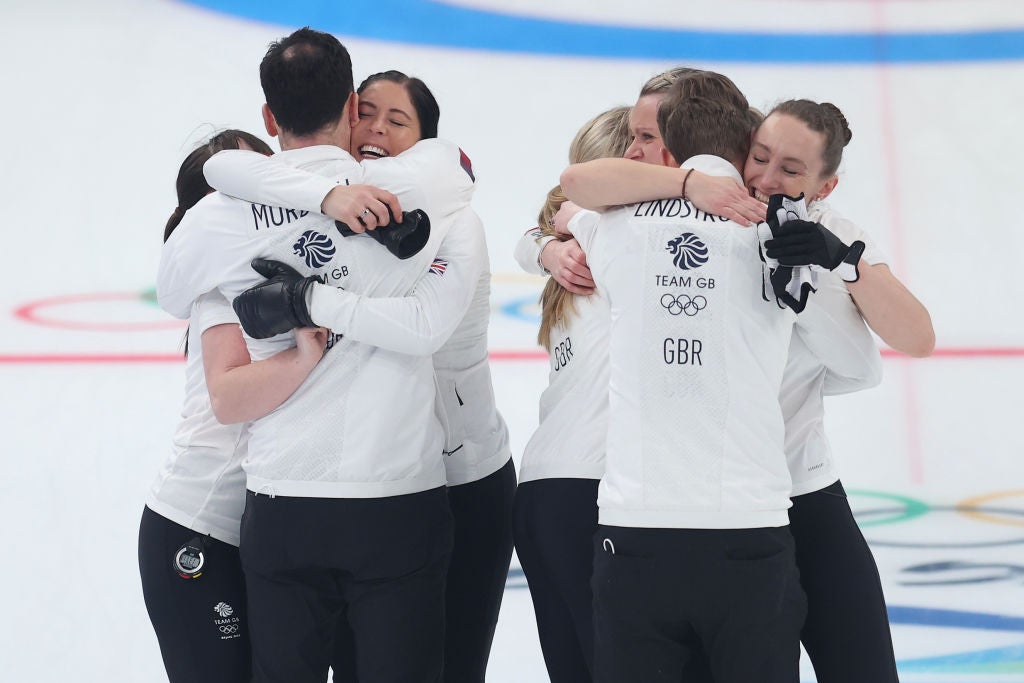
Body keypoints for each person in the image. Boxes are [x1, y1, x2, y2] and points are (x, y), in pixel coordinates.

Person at [562, 79, 933, 681]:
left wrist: (838, 263)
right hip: (717, 515)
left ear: (823, 186)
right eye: (759, 157)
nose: (765, 177)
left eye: (790, 169)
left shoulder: (825, 229)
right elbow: (567, 199)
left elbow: (897, 349)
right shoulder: (698, 205)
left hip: (799, 489)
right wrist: (547, 247)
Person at [156, 28, 478, 683]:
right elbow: (458, 165)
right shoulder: (409, 188)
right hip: (396, 493)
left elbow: (171, 291)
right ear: (354, 107)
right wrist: (327, 198)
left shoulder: (220, 214)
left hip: (284, 499)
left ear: (270, 118)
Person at [139, 129, 329, 683]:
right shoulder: (217, 287)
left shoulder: (271, 272)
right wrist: (304, 358)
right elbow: (229, 397)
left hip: (258, 533)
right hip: (198, 527)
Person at [510, 106, 631, 683]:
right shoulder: (619, 243)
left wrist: (541, 245)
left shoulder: (571, 247)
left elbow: (534, 232)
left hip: (544, 492)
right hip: (594, 491)